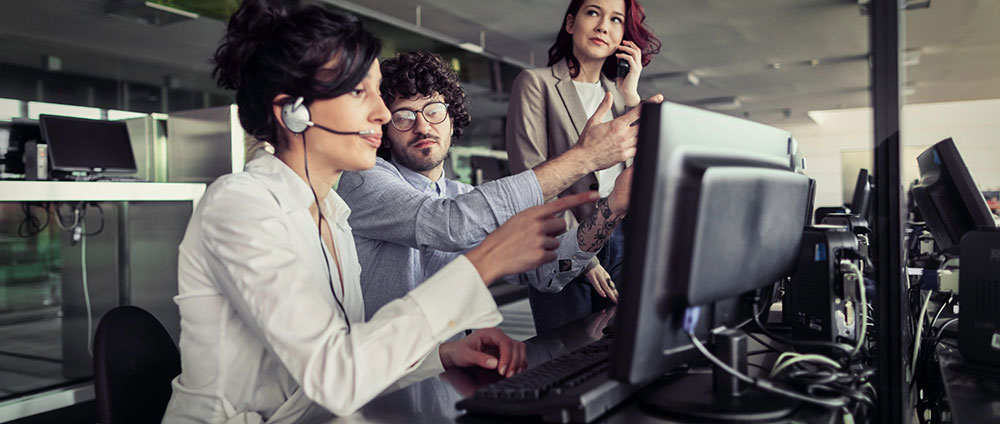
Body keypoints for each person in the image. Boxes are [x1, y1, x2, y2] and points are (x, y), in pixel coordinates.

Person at [162, 2, 599, 422]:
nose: (383, 111)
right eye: (359, 92)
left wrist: (442, 355)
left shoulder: (331, 214)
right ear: (292, 113)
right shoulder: (241, 206)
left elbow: (352, 355)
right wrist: (486, 261)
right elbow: (335, 379)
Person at [337, 51, 635, 346]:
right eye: (403, 116)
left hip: (449, 379)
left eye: (434, 110)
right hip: (378, 382)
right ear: (385, 132)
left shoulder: (464, 198)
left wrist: (612, 208)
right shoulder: (362, 179)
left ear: (452, 121)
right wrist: (584, 158)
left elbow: (546, 271)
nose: (423, 126)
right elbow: (446, 223)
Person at [506, 0, 662, 333]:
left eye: (616, 19)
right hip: (563, 235)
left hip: (622, 236)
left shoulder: (620, 97)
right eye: (593, 12)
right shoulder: (536, 83)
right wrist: (583, 254)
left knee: (618, 348)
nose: (604, 25)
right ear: (570, 22)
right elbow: (531, 179)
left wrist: (631, 92)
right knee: (567, 352)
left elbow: (652, 163)